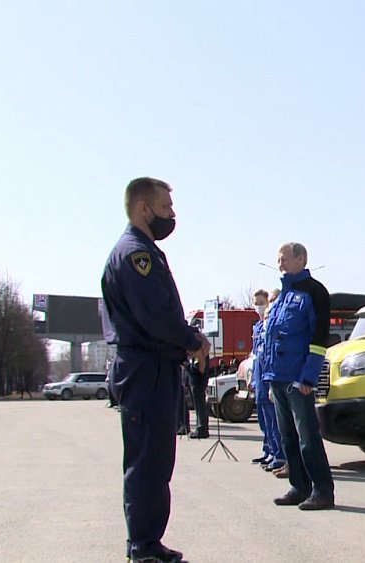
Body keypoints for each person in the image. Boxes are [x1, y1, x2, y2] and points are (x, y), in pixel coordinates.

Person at [100, 177, 210, 563]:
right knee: (148, 461)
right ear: (144, 209)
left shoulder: (143, 251)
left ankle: (147, 541)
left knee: (157, 459)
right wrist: (192, 339)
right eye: (166, 208)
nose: (172, 215)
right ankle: (143, 545)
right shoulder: (136, 255)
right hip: (146, 368)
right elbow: (156, 317)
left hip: (154, 366)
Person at [263, 242, 335, 510]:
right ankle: (299, 486)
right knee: (288, 437)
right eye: (278, 259)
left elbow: (319, 337)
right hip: (278, 377)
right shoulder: (283, 294)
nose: (280, 263)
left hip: (298, 379)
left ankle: (322, 490)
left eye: (284, 259)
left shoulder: (314, 291)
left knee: (307, 437)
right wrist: (269, 377)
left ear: (301, 258)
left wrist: (308, 376)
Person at [250, 288, 285, 472]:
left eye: (262, 303)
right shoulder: (258, 326)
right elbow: (257, 355)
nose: (260, 307)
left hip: (270, 377)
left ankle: (279, 454)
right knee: (264, 420)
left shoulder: (275, 325)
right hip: (259, 376)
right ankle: (269, 450)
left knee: (274, 420)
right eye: (256, 304)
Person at [185, 357, 210, 439]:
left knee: (200, 406)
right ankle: (200, 428)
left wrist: (187, 365)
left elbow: (197, 368)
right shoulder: (198, 354)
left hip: (197, 382)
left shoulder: (199, 355)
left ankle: (201, 429)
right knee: (199, 406)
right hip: (197, 382)